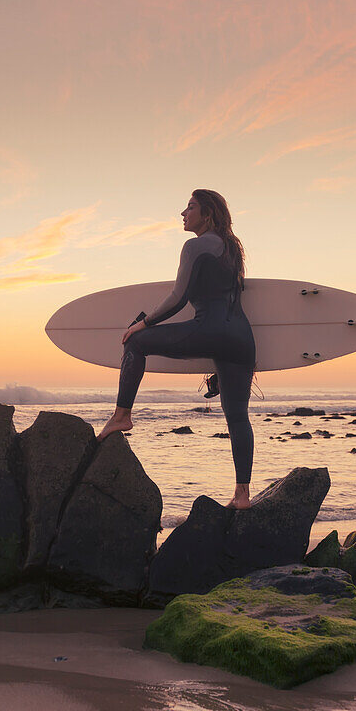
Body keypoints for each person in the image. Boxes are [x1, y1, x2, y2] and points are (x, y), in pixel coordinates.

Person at [96, 189, 257, 509]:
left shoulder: (194, 246)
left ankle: (121, 416)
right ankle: (242, 494)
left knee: (136, 344)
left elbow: (178, 297)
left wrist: (143, 324)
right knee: (238, 417)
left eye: (191, 207)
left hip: (208, 330)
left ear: (207, 213)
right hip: (241, 339)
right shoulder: (233, 250)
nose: (183, 213)